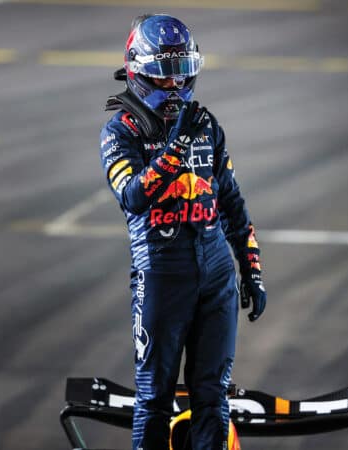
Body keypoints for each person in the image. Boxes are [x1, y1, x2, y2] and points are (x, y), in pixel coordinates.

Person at [99, 14, 267, 450]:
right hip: (161, 277)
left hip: (216, 277)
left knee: (212, 397)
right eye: (164, 76)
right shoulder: (119, 133)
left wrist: (251, 269)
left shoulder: (206, 126)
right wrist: (176, 147)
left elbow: (231, 202)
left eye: (181, 75)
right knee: (153, 399)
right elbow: (134, 196)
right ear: (138, 70)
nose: (175, 87)